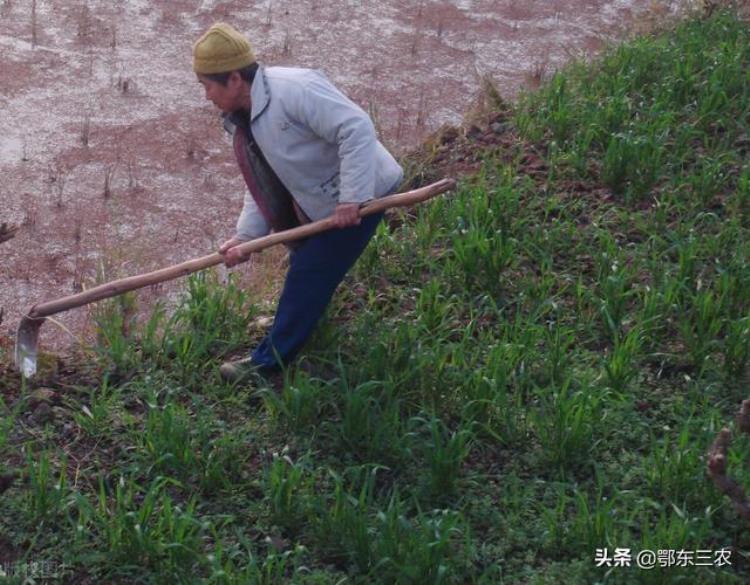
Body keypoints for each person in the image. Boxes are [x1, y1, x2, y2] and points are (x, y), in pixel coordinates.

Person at [192, 22, 403, 382]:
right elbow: (263, 182)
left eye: (208, 85)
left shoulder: (295, 90)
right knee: (304, 267)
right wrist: (246, 238)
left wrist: (353, 197)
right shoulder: (247, 117)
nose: (206, 96)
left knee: (309, 273)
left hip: (367, 194)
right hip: (323, 202)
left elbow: (356, 128)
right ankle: (301, 323)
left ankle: (268, 365)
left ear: (234, 79)